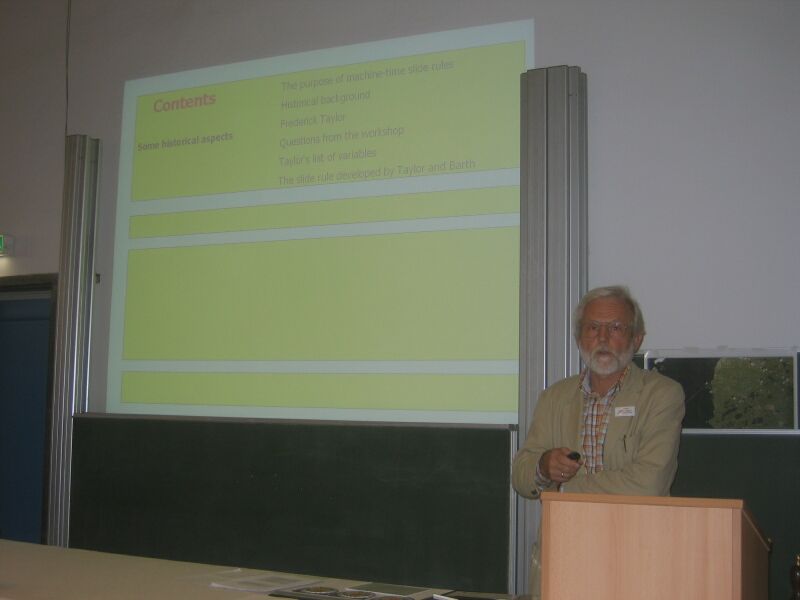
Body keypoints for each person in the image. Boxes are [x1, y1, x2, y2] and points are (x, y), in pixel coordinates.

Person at [512, 285, 685, 598]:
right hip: (564, 557)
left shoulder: (661, 395)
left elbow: (650, 483)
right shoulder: (554, 397)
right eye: (593, 328)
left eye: (616, 328)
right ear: (579, 337)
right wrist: (543, 467)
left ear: (637, 339)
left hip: (636, 558)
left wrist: (564, 490)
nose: (602, 338)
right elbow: (521, 476)